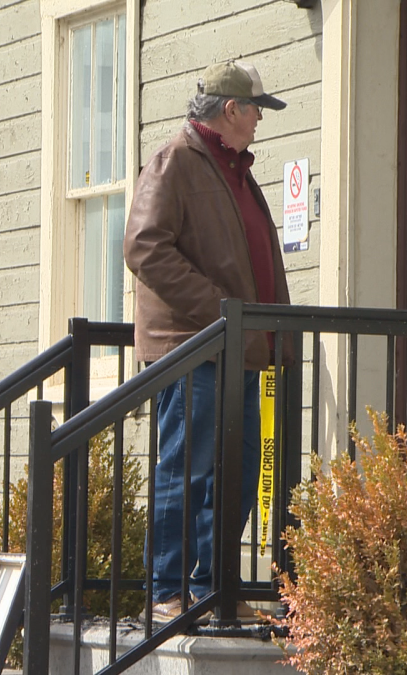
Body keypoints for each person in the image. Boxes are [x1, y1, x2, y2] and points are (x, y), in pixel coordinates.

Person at [123, 60, 292, 622]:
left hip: (240, 347)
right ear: (231, 110)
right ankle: (168, 591)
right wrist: (220, 310)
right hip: (194, 346)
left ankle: (212, 588)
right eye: (257, 111)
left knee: (240, 470)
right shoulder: (176, 161)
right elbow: (145, 246)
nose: (260, 122)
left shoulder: (235, 171)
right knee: (188, 467)